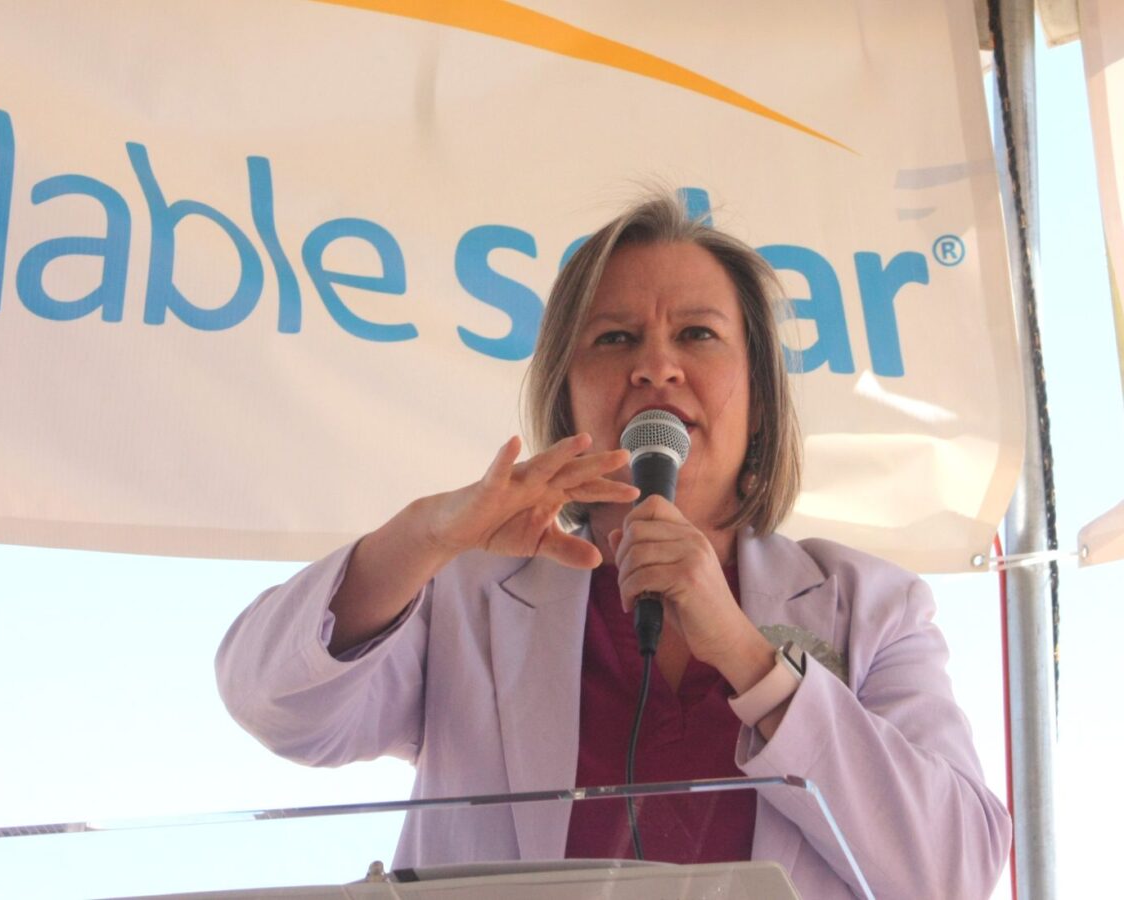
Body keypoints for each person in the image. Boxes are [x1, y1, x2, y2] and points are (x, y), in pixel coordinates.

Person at [216, 194, 1012, 898]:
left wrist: (748, 658)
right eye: (614, 339)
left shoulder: (871, 606)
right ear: (567, 400)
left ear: (761, 401)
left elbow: (954, 871)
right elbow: (274, 705)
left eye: (697, 334)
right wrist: (425, 535)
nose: (655, 367)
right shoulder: (467, 593)